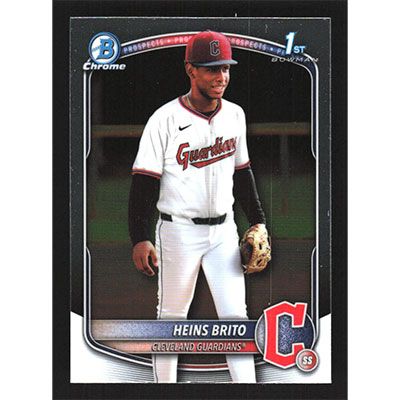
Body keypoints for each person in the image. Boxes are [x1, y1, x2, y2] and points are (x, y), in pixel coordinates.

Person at [128, 30, 268, 383]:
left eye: (225, 68)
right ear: (190, 69)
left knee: (236, 319)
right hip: (178, 232)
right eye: (211, 69)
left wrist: (259, 221)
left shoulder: (235, 114)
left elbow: (243, 173)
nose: (221, 76)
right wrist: (139, 238)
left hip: (224, 233)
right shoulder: (164, 119)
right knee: (172, 319)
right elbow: (144, 182)